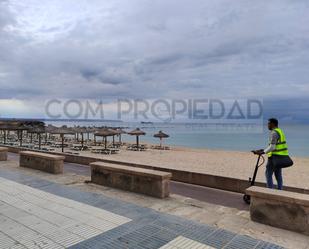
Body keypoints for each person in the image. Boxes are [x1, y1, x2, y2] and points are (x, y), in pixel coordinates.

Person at [253, 118, 289, 190]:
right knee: (278, 176)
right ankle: (280, 191)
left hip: (273, 158)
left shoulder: (274, 132)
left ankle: (270, 192)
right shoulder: (280, 131)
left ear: (272, 124)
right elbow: (275, 146)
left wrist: (262, 152)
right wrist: (263, 149)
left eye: (268, 124)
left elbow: (272, 147)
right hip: (280, 158)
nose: (267, 125)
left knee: (268, 174)